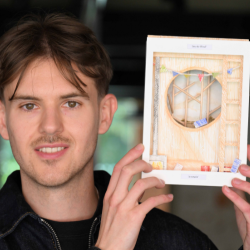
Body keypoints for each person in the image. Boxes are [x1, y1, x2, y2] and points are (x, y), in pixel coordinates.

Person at [0, 12, 248, 250]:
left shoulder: (178, 242)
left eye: (71, 103)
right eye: (29, 106)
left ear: (105, 114)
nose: (50, 125)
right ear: (3, 120)